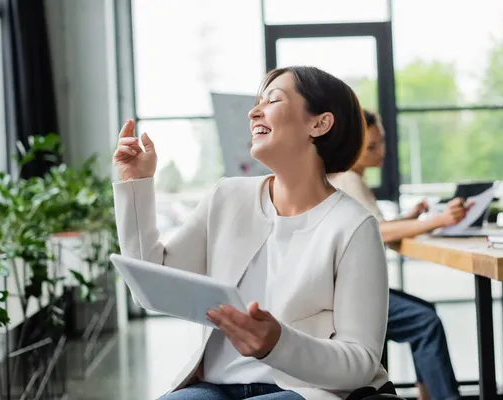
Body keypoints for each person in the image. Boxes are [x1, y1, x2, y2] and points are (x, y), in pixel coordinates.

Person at [112, 67, 393, 400]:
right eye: (258, 101)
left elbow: (361, 361)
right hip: (216, 386)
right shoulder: (227, 197)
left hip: (305, 391)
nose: (253, 112)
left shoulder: (352, 226)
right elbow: (150, 285)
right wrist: (135, 185)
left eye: (273, 100)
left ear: (319, 123)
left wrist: (279, 344)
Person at [329, 110, 465, 400]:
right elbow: (377, 232)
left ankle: (427, 394)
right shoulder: (349, 179)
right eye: (371, 147)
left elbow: (371, 229)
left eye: (382, 143)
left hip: (349, 290)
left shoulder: (352, 180)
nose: (382, 152)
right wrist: (437, 221)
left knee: (426, 314)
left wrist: (410, 217)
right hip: (349, 297)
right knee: (425, 321)